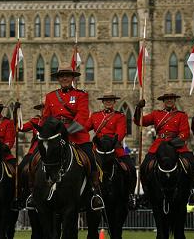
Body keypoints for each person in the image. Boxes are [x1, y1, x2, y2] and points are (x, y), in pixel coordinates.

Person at [42, 63, 103, 209]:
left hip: (77, 136)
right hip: (55, 136)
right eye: (61, 76)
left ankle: (94, 192)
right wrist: (45, 132)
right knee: (37, 158)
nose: (64, 78)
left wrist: (68, 131)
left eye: (67, 76)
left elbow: (82, 116)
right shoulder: (50, 96)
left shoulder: (81, 95)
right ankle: (34, 192)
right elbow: (45, 117)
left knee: (90, 158)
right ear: (58, 79)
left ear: (72, 78)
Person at [134, 93, 194, 205]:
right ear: (163, 101)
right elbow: (140, 122)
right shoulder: (156, 114)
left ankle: (192, 191)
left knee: (192, 164)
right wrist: (138, 108)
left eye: (171, 99)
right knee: (145, 165)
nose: (169, 100)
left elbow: (185, 133)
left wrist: (174, 142)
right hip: (159, 145)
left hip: (176, 144)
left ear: (174, 100)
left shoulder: (181, 115)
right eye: (166, 99)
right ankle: (146, 193)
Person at [85, 94, 137, 208]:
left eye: (111, 101)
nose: (108, 102)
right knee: (83, 167)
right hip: (97, 149)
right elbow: (84, 128)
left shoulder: (120, 116)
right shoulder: (95, 116)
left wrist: (112, 143)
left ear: (114, 102)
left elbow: (121, 133)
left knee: (131, 168)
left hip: (114, 148)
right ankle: (86, 195)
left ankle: (131, 195)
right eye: (106, 100)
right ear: (103, 102)